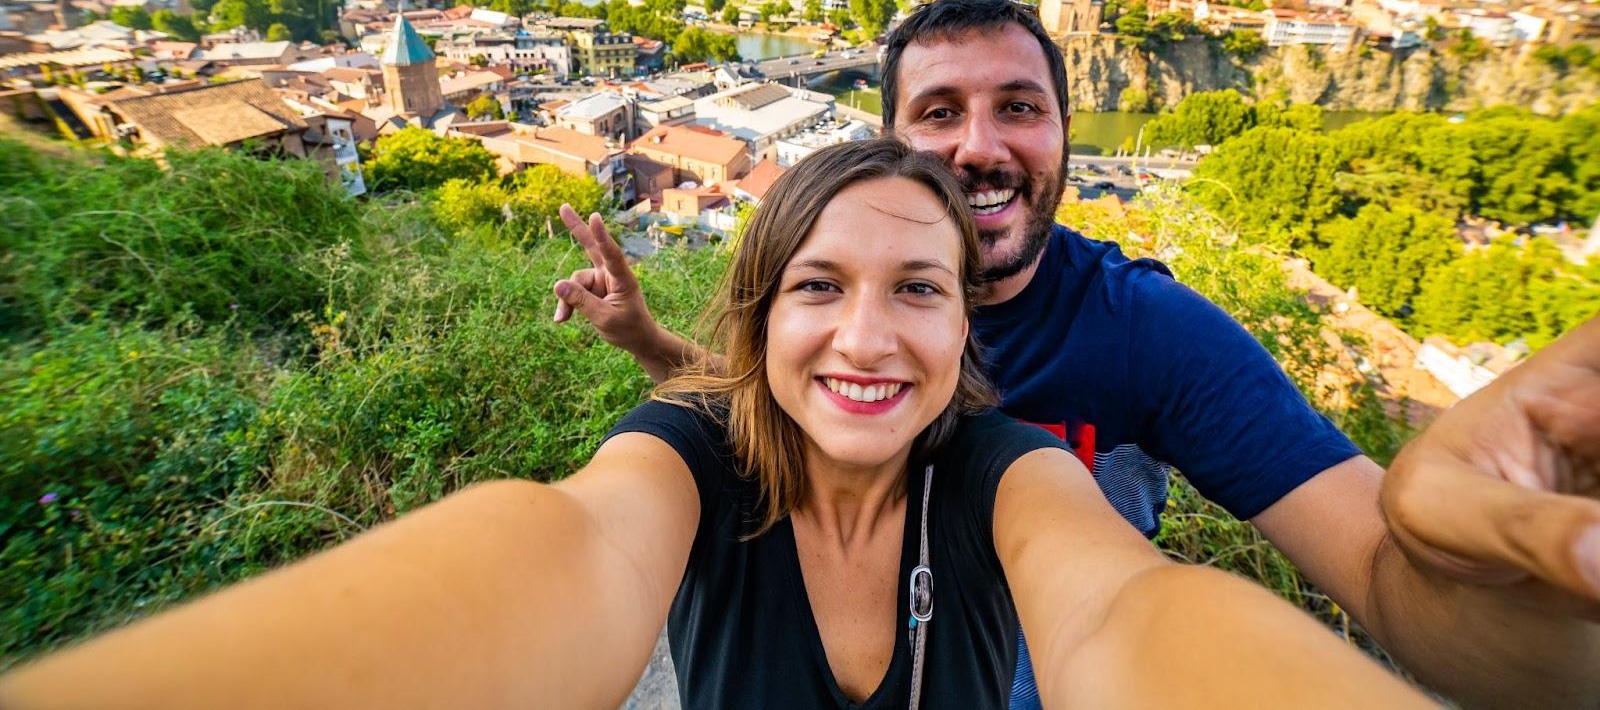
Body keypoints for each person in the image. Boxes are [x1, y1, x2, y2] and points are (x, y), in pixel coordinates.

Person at [0, 139, 1434, 710]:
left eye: (918, 291)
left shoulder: (1006, 474)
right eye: (821, 284)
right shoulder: (686, 453)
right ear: (762, 313)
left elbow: (1132, 612)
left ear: (963, 332)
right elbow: (562, 544)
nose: (869, 334)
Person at [552, 0, 1600, 708]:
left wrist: (1531, 596)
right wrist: (649, 341)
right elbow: (746, 413)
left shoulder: (1143, 328)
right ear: (887, 146)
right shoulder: (827, 300)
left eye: (1020, 108)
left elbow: (1370, 567)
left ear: (1061, 135)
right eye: (938, 113)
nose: (980, 145)